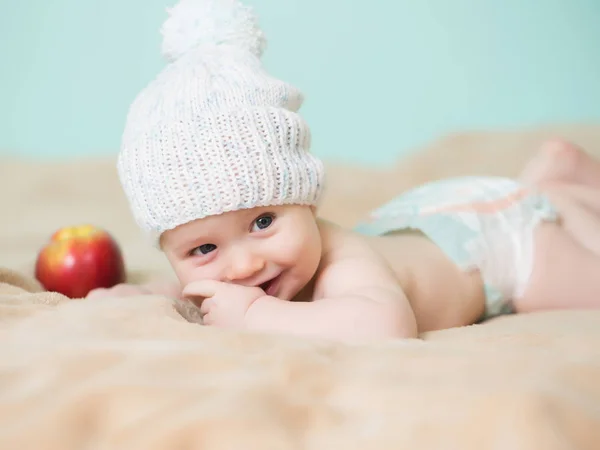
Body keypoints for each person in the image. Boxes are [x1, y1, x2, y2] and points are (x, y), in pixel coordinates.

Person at [88, 0, 600, 342]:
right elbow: (188, 288)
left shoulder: (342, 261)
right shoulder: (248, 268)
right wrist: (144, 295)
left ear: (306, 200)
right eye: (203, 249)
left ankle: (553, 196)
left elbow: (386, 326)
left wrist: (257, 316)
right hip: (435, 216)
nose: (242, 267)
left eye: (264, 221)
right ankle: (553, 177)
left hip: (500, 245)